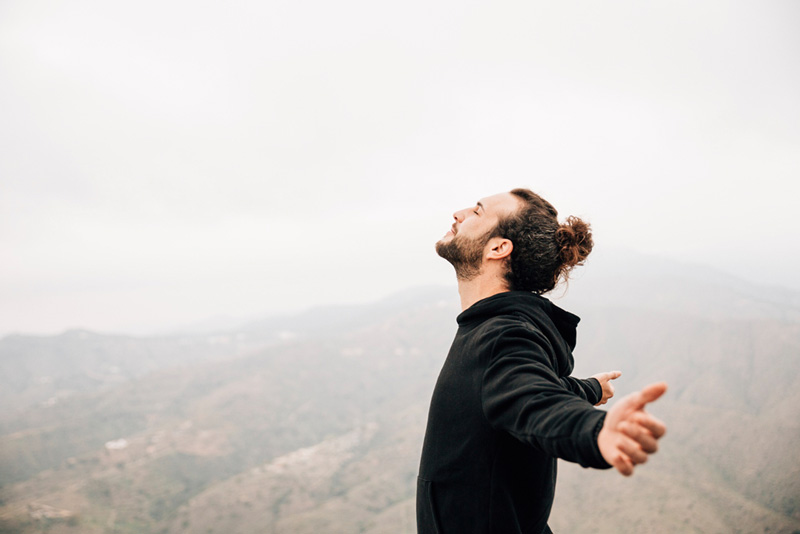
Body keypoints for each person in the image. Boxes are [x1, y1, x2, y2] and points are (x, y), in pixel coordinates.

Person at [417, 188, 667, 534]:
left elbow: (533, 400)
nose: (458, 213)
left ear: (498, 248)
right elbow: (517, 388)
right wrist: (588, 389)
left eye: (476, 211)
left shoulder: (501, 336)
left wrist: (594, 431)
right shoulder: (500, 329)